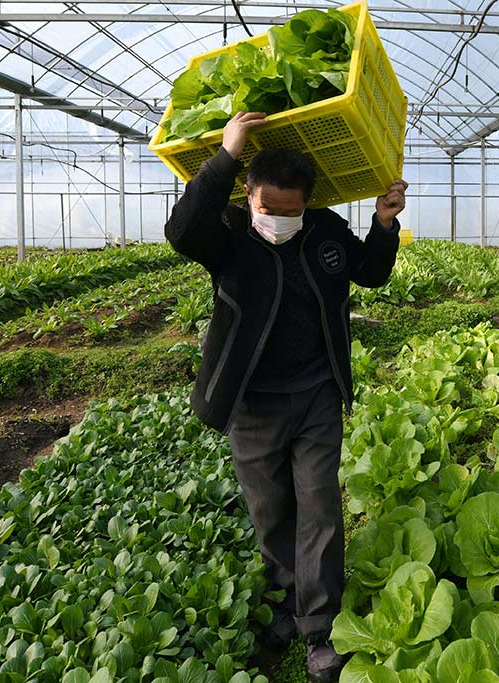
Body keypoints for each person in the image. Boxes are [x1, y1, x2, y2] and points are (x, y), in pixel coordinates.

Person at [164, 111, 408, 683]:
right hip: (252, 400)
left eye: (291, 210)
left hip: (317, 391)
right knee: (270, 509)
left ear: (309, 203)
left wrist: (383, 224)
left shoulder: (322, 231)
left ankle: (320, 627)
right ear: (249, 196)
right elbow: (180, 232)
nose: (278, 219)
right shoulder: (226, 234)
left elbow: (370, 274)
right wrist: (225, 156)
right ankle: (284, 598)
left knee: (319, 505)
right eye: (268, 208)